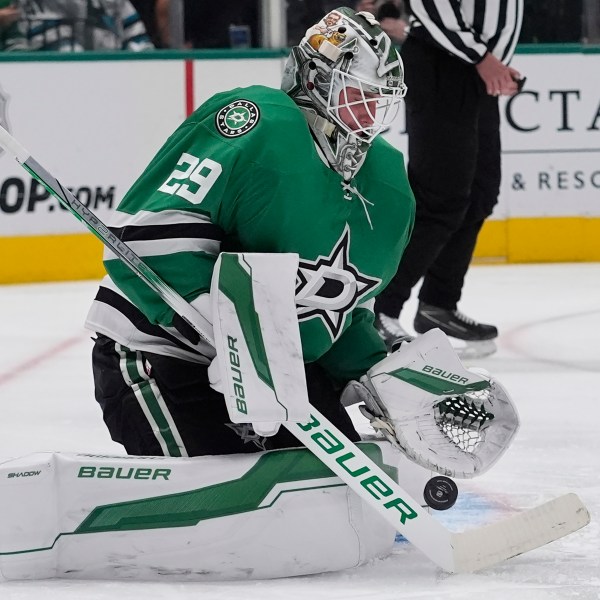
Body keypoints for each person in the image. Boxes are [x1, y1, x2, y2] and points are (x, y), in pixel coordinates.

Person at [374, 0, 524, 358]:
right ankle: (381, 310)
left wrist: (495, 66)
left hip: (476, 72)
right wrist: (484, 60)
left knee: (479, 195)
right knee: (440, 198)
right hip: (444, 65)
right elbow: (428, 5)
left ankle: (437, 306)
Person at [5, 0, 154, 51]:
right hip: (46, 88)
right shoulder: (25, 4)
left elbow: (141, 45)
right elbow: (15, 54)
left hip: (114, 86)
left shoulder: (114, 2)